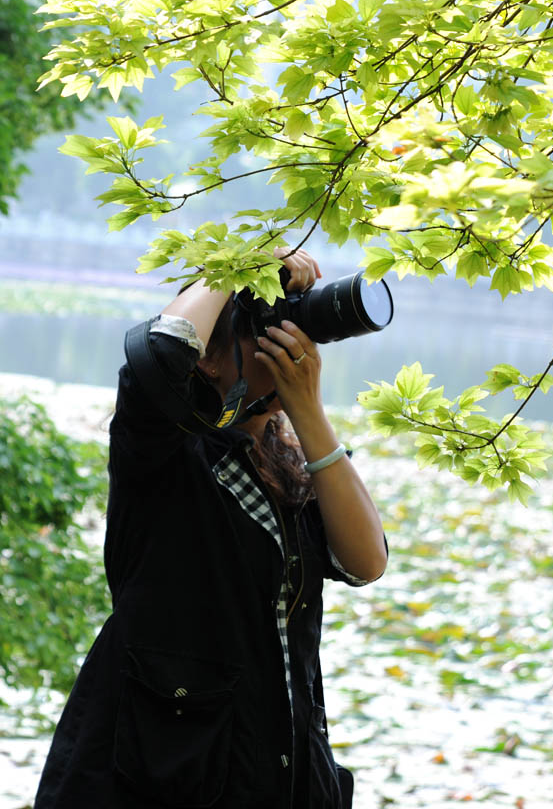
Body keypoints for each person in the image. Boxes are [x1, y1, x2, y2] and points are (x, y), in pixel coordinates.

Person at [35, 247, 388, 809]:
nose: (289, 344)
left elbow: (365, 562)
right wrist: (233, 268)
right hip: (158, 777)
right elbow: (157, 352)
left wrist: (309, 412)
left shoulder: (293, 464)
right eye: (263, 331)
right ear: (208, 359)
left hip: (279, 770)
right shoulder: (162, 451)